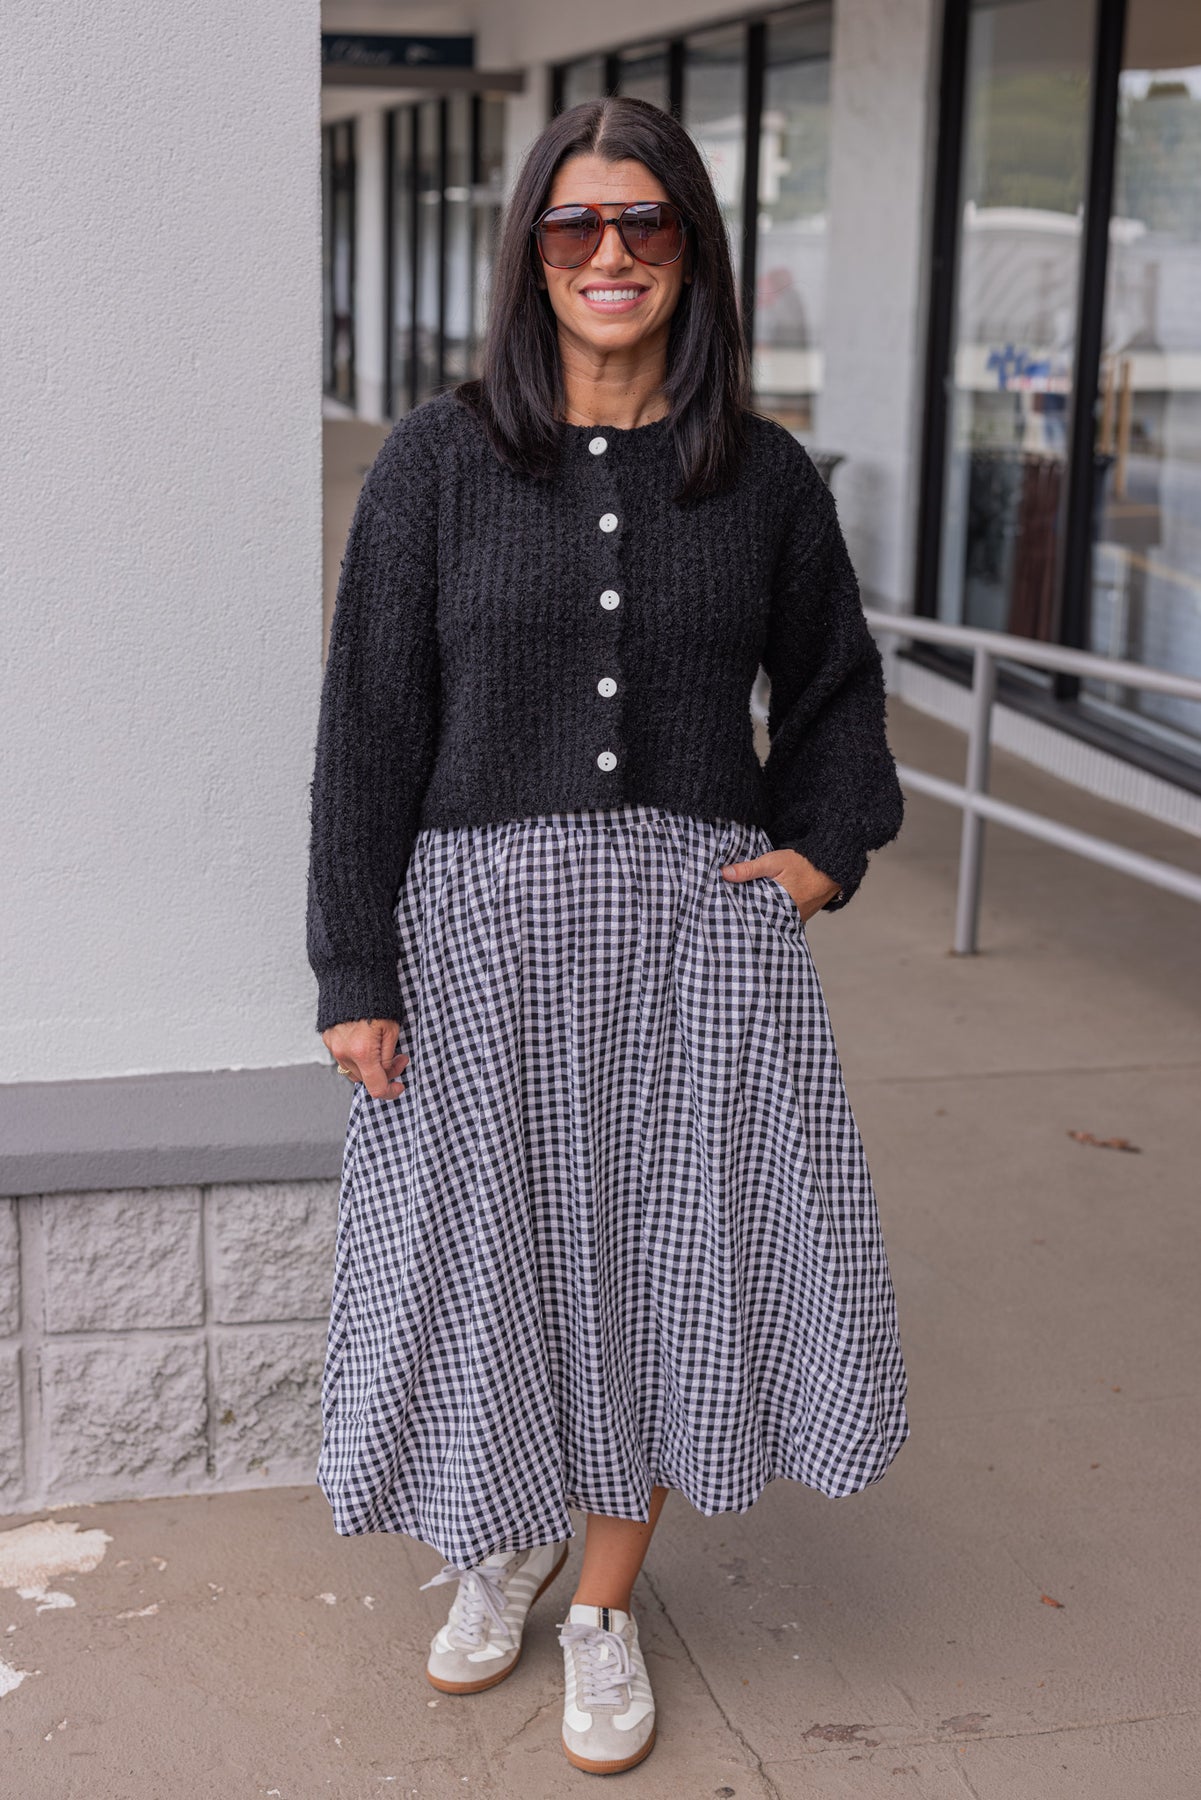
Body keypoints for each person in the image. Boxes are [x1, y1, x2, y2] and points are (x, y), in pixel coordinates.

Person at [306, 95, 909, 1778]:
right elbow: (366, 729)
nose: (610, 254)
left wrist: (819, 855)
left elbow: (837, 690)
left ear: (692, 251)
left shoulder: (759, 476)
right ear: (530, 254)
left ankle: (600, 1606)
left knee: (661, 1271)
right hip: (476, 944)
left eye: (645, 222)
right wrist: (354, 971)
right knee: (486, 1263)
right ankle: (500, 1542)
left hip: (691, 953)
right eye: (575, 225)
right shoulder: (436, 465)